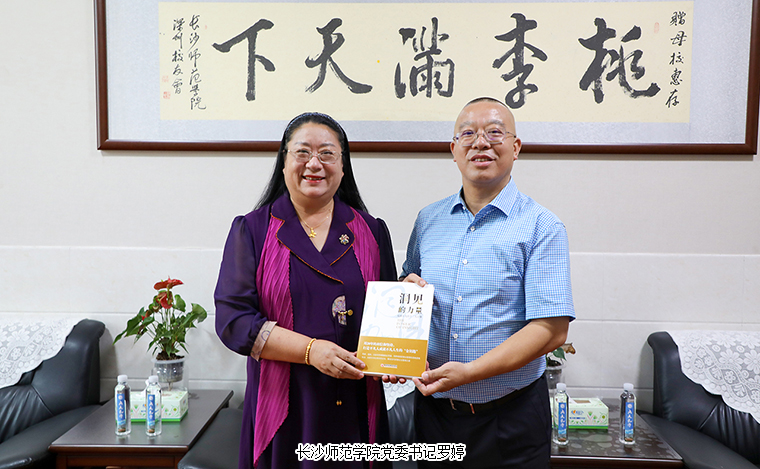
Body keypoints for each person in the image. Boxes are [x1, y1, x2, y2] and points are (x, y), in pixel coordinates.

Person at [400, 97, 575, 468]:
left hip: (509, 419)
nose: (480, 142)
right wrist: (406, 291)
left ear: (515, 147)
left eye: (494, 132)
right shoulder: (428, 219)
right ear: (453, 149)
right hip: (434, 415)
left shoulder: (542, 226)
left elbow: (552, 329)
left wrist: (469, 373)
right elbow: (409, 284)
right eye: (468, 134)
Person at [215, 112, 396, 469]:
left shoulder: (372, 231)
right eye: (302, 152)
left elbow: (387, 318)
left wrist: (398, 346)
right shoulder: (253, 230)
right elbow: (234, 322)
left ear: (343, 165)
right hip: (283, 406)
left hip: (358, 404)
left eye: (327, 153)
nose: (314, 164)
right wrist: (311, 351)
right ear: (283, 162)